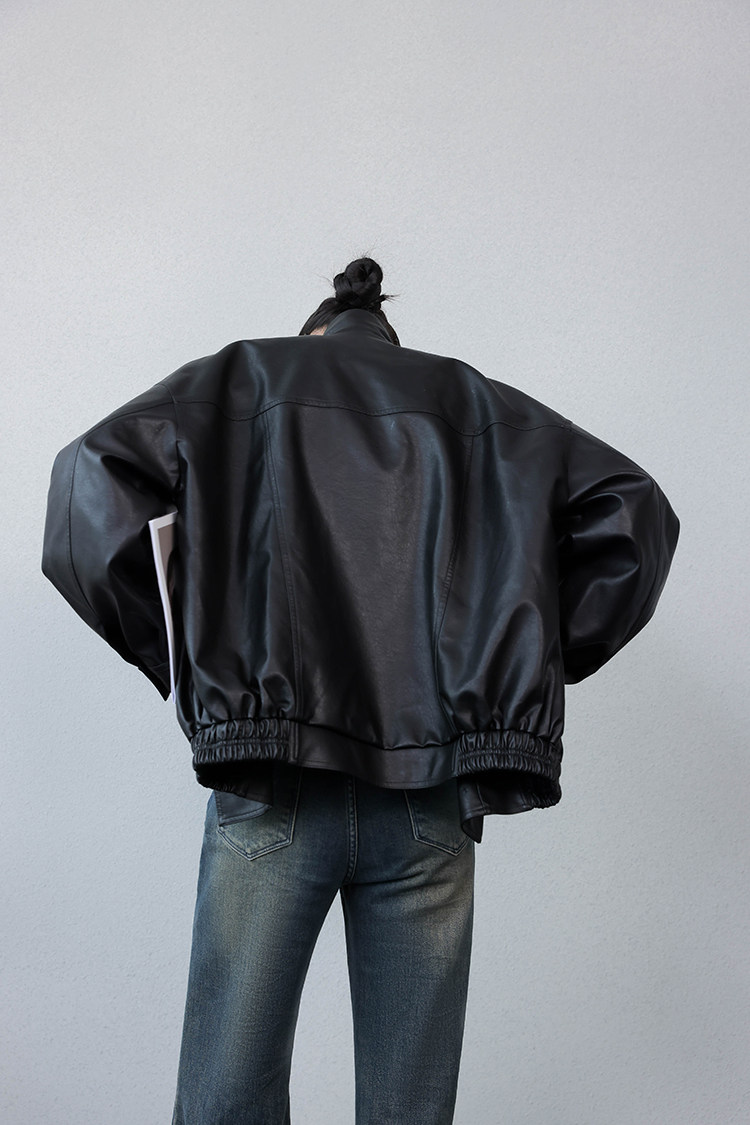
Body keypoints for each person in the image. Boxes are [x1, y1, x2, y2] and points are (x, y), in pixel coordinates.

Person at [41, 256, 680, 1124]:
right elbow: (636, 511)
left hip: (271, 781)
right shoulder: (479, 405)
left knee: (227, 1098)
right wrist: (526, 666)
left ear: (314, 333)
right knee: (408, 1109)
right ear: (390, 341)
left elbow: (84, 484)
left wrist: (177, 657)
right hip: (431, 794)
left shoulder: (242, 378)